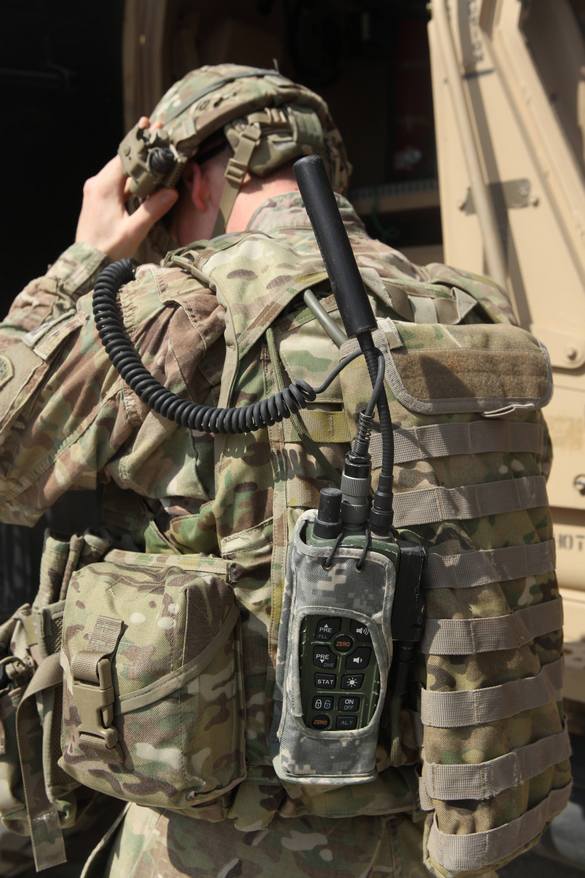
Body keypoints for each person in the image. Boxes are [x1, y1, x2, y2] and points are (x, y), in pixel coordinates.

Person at [0, 65, 565, 878]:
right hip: (430, 825)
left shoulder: (177, 308)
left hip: (225, 845)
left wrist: (81, 261)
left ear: (187, 181)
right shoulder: (467, 308)